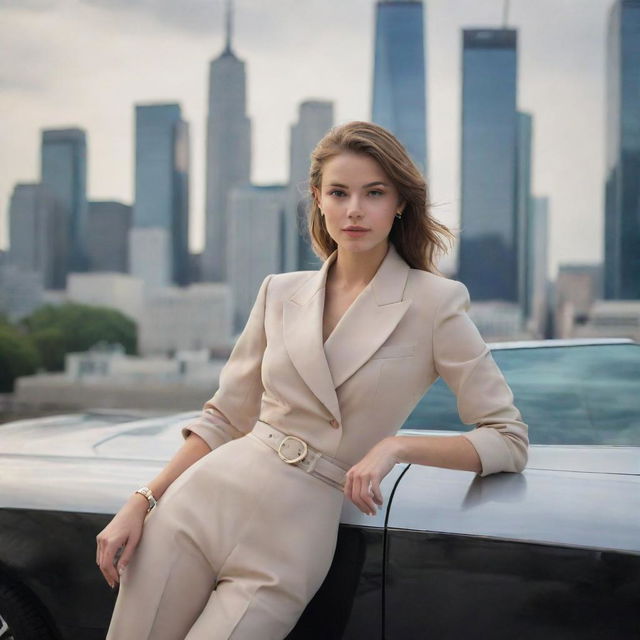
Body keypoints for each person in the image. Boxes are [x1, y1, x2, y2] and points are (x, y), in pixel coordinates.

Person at [97, 121, 528, 639]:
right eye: (339, 192)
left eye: (374, 193)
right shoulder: (279, 292)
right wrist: (140, 502)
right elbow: (223, 418)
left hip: (293, 536)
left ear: (399, 204)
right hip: (203, 501)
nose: (354, 210)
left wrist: (395, 446)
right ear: (318, 200)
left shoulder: (436, 303)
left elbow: (507, 438)